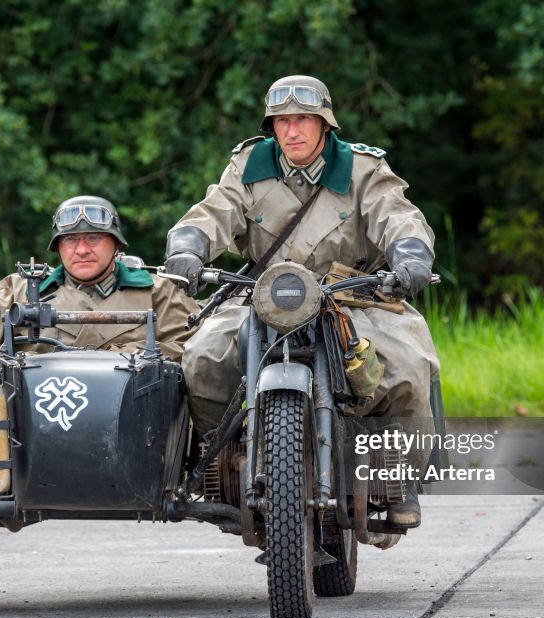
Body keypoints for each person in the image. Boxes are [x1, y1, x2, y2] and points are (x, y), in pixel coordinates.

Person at [163, 75, 439, 528]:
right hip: (263, 293)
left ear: (325, 124)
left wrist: (409, 256)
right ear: (271, 126)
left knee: (406, 364)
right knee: (202, 358)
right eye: (282, 121)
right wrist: (188, 249)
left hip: (353, 296)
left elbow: (399, 216)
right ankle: (222, 462)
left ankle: (398, 478)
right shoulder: (249, 165)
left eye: (303, 120)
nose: (292, 131)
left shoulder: (362, 169)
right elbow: (213, 212)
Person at [0, 195, 197, 361]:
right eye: (70, 240)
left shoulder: (156, 290)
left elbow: (193, 345)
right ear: (57, 247)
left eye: (93, 238)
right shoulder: (20, 289)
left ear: (116, 245)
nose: (81, 250)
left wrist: (128, 356)